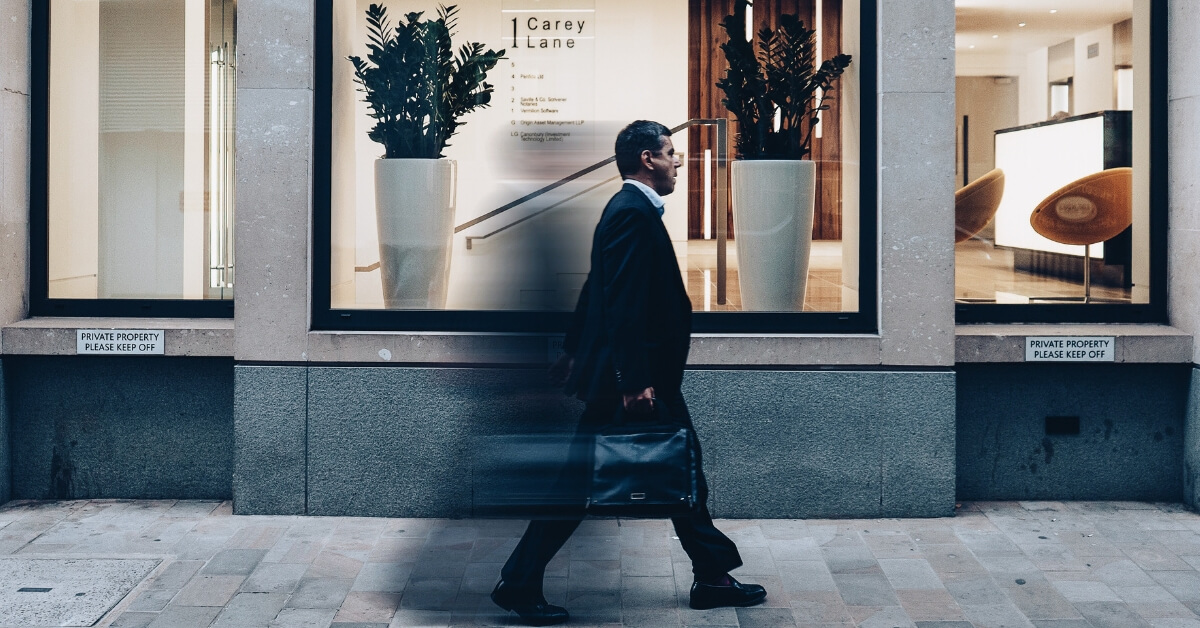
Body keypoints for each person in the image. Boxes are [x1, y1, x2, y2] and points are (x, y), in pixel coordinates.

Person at [491, 120, 766, 626]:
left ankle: (711, 575)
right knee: (625, 478)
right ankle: (521, 580)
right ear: (647, 159)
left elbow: (598, 284)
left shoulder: (628, 211)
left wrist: (575, 348)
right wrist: (633, 381)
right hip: (636, 382)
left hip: (631, 377)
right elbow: (619, 301)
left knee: (679, 469)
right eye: (670, 153)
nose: (677, 161)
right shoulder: (632, 213)